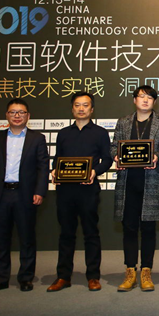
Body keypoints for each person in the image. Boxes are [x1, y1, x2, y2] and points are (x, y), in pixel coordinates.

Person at [0, 98, 49, 293]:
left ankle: (26, 278)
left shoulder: (37, 138)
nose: (17, 116)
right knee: (1, 239)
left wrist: (39, 191)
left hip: (25, 195)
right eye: (13, 112)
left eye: (21, 112)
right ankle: (1, 278)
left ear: (28, 116)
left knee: (27, 238)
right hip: (1, 194)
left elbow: (43, 167)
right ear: (7, 115)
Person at [111, 85, 159, 292]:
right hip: (128, 183)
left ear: (154, 101)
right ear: (134, 100)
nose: (145, 100)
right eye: (141, 97)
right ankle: (130, 271)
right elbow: (113, 146)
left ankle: (146, 271)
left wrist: (157, 156)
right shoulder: (123, 122)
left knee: (148, 228)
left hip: (153, 183)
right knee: (129, 228)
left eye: (149, 97)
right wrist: (116, 156)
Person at [47, 92, 113, 293]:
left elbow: (107, 160)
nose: (81, 108)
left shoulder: (100, 133)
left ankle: (93, 276)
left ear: (92, 109)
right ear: (72, 108)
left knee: (91, 233)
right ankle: (63, 276)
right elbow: (58, 159)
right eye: (77, 105)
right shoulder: (63, 133)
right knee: (66, 233)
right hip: (65, 190)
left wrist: (94, 172)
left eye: (85, 105)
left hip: (88, 189)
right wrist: (55, 170)